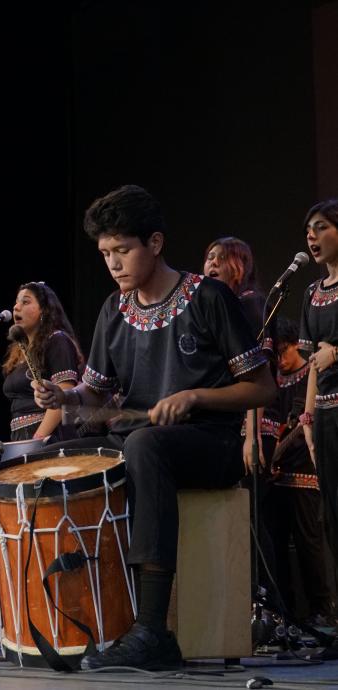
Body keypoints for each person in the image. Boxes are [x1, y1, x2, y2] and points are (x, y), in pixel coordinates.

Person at [33, 185, 275, 670]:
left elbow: (262, 388)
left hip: (211, 442)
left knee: (144, 446)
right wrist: (65, 397)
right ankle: (82, 616)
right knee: (55, 458)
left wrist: (195, 396)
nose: (113, 264)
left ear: (156, 243)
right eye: (105, 254)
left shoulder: (208, 298)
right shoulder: (114, 310)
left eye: (122, 250)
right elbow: (96, 394)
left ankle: (152, 631)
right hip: (142, 439)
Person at [203, 236, 280, 608]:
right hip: (233, 426)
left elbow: (257, 377)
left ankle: (266, 608)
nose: (212, 263)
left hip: (251, 426)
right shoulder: (222, 307)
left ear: (241, 265)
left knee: (251, 518)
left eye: (222, 258)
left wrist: (251, 433)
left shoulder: (249, 304)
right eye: (208, 257)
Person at [264, 317, 334, 625]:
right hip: (275, 477)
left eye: (284, 352)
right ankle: (285, 613)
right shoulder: (273, 380)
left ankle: (322, 611)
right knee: (276, 546)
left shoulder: (311, 375)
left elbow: (303, 422)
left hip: (305, 474)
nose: (279, 360)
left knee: (309, 545)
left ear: (296, 345)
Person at [298, 200, 338, 654]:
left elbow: (328, 355)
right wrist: (306, 420)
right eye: (308, 230)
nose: (311, 236)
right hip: (325, 417)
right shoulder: (311, 293)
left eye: (321, 227)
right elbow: (311, 364)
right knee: (331, 519)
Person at [2, 281, 83, 441]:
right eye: (16, 302)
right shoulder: (20, 352)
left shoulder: (57, 340)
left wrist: (38, 439)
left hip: (49, 437)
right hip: (23, 437)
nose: (16, 307)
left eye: (25, 302)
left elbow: (63, 396)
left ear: (44, 311)